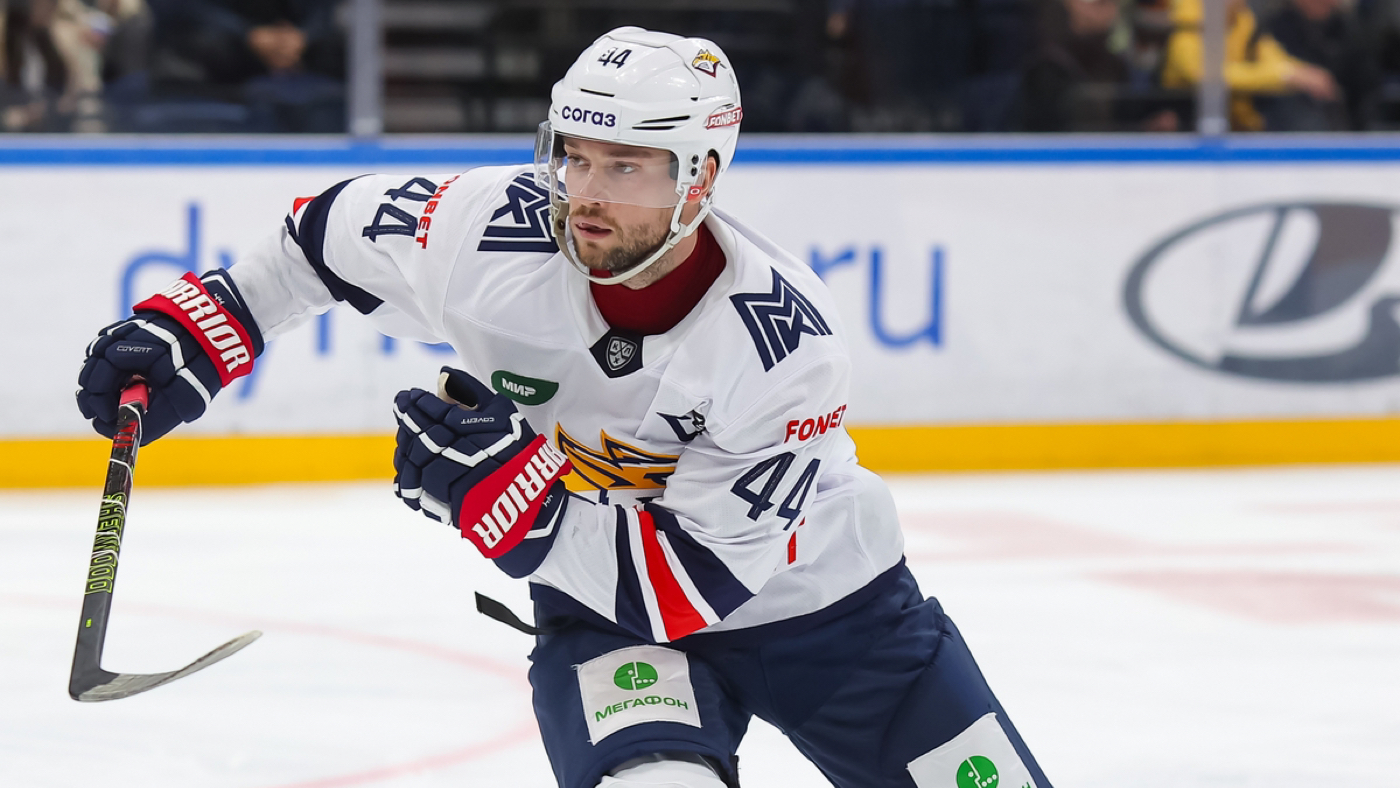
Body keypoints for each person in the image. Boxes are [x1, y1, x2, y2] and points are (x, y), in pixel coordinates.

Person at [75, 28, 1052, 788]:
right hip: (609, 624)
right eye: (573, 156)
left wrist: (516, 506)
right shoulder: (487, 231)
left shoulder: (781, 343)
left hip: (836, 617)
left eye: (625, 167)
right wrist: (207, 324)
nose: (584, 194)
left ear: (701, 177)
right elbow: (321, 239)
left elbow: (692, 584)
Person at [1159, 0, 1338, 130]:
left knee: (1300, 109)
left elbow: (1272, 56)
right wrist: (1284, 75)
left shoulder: (1243, 19)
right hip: (1186, 119)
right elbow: (1203, 75)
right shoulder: (1185, 22)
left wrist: (1303, 73)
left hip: (1239, 121)